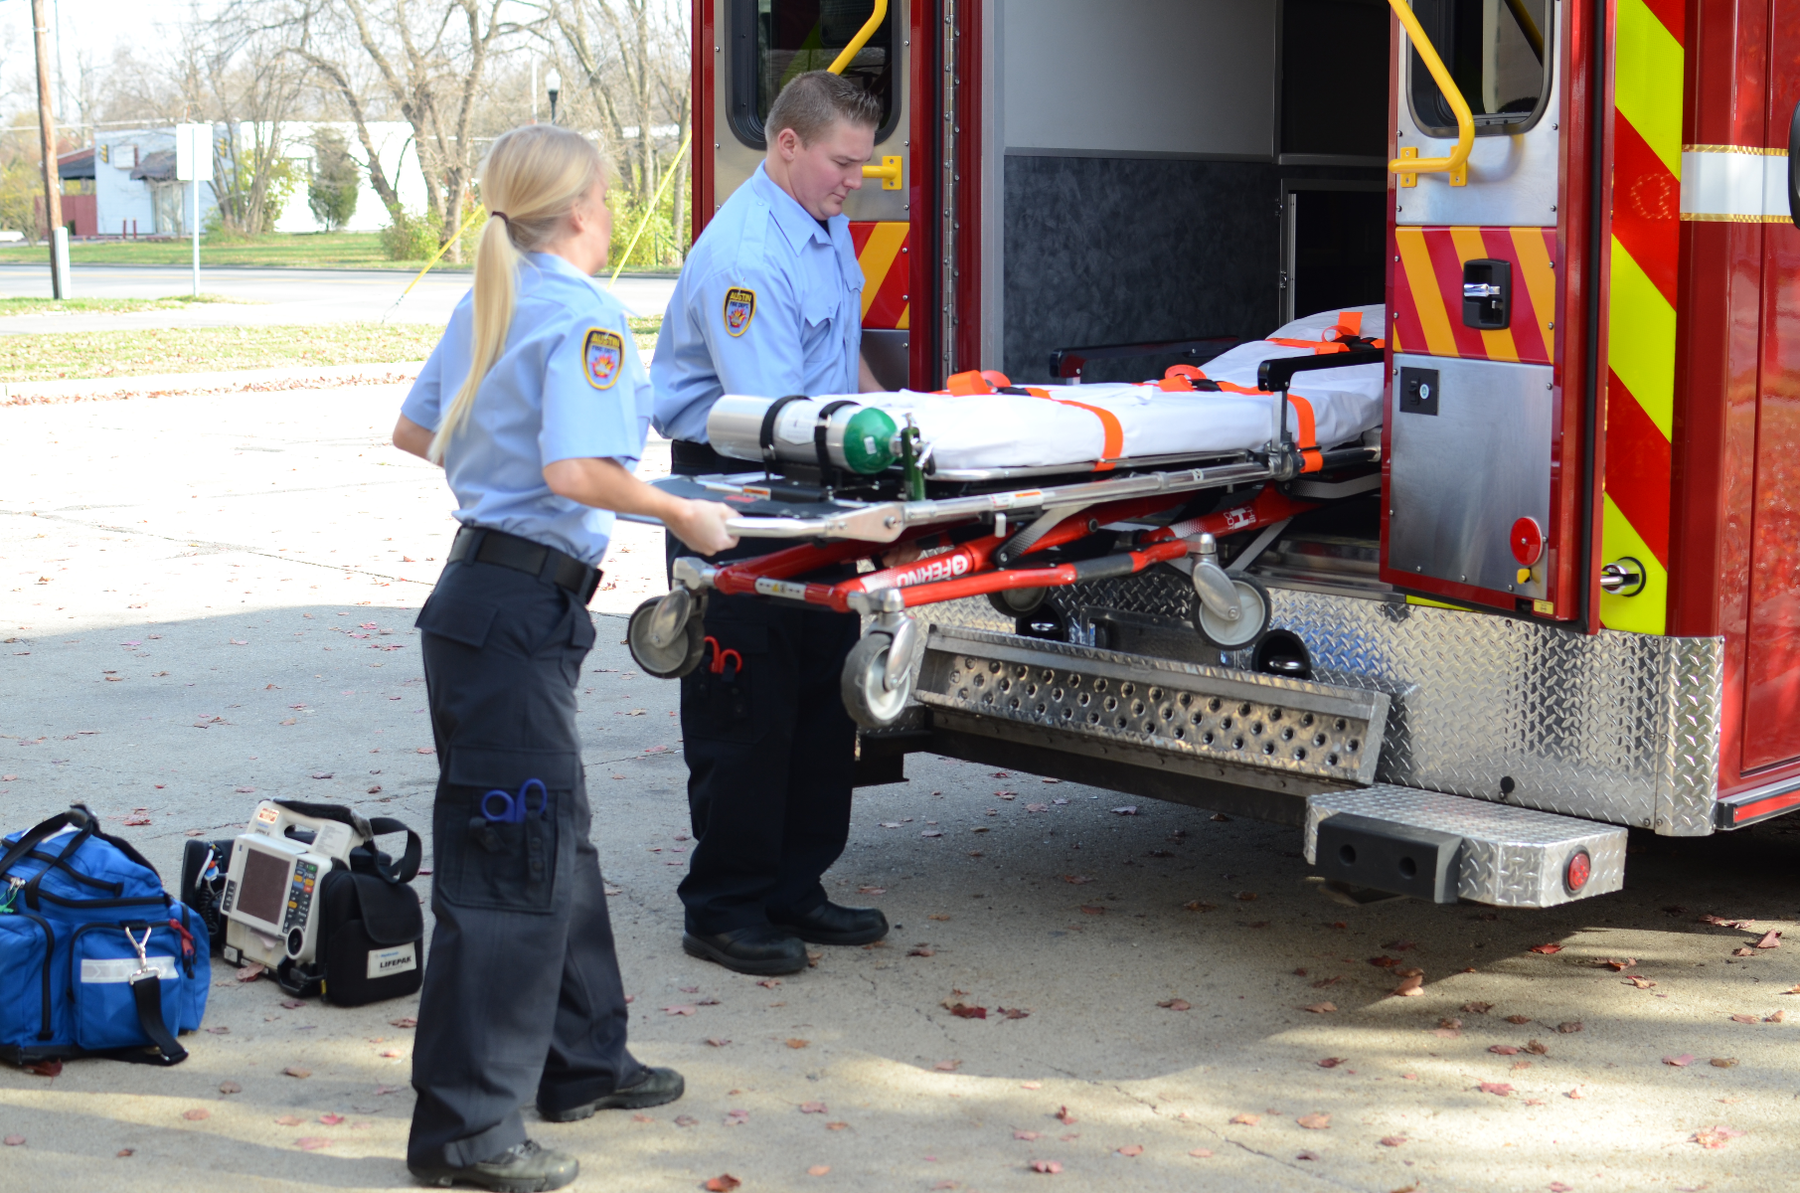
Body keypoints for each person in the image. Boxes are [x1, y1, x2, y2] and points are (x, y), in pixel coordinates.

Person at [392, 124, 737, 1192]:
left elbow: (418, 433)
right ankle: (467, 1132)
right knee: (511, 870)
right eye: (611, 190)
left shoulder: (495, 299)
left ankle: (585, 1057)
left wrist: (498, 464)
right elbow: (578, 467)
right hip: (513, 611)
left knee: (556, 839)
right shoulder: (581, 312)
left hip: (486, 607)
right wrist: (684, 509)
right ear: (587, 202)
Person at [650, 71, 888, 977]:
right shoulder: (748, 254)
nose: (853, 180)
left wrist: (898, 423)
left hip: (813, 478)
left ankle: (794, 886)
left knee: (819, 703)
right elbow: (773, 410)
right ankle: (723, 906)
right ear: (786, 144)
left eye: (862, 165)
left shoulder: (822, 229)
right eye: (841, 162)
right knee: (744, 709)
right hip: (739, 494)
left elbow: (837, 356)